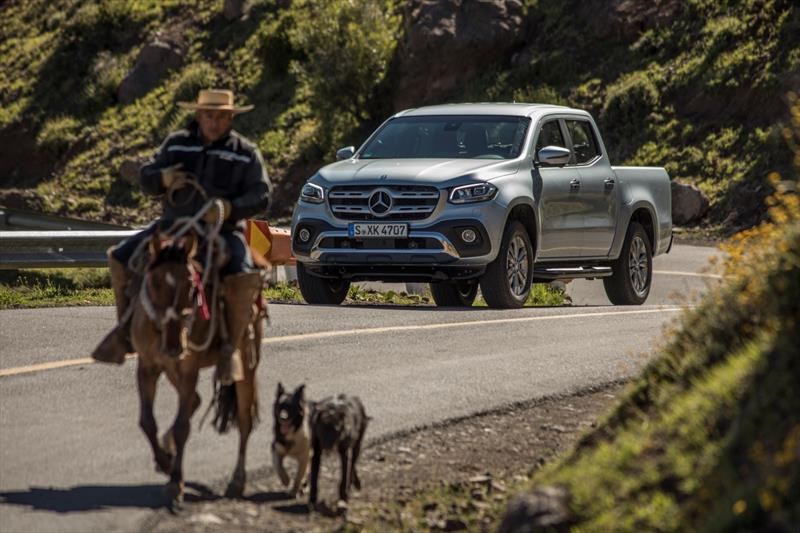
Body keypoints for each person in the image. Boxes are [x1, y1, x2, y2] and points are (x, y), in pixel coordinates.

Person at [91, 89, 272, 384]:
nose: (214, 122)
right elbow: (147, 177)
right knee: (120, 257)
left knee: (242, 274)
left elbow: (261, 195)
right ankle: (124, 331)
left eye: (221, 117)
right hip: (172, 226)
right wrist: (162, 179)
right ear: (198, 115)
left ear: (230, 118)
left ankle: (229, 349)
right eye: (209, 115)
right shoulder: (176, 144)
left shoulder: (245, 153)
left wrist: (230, 207)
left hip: (223, 231)